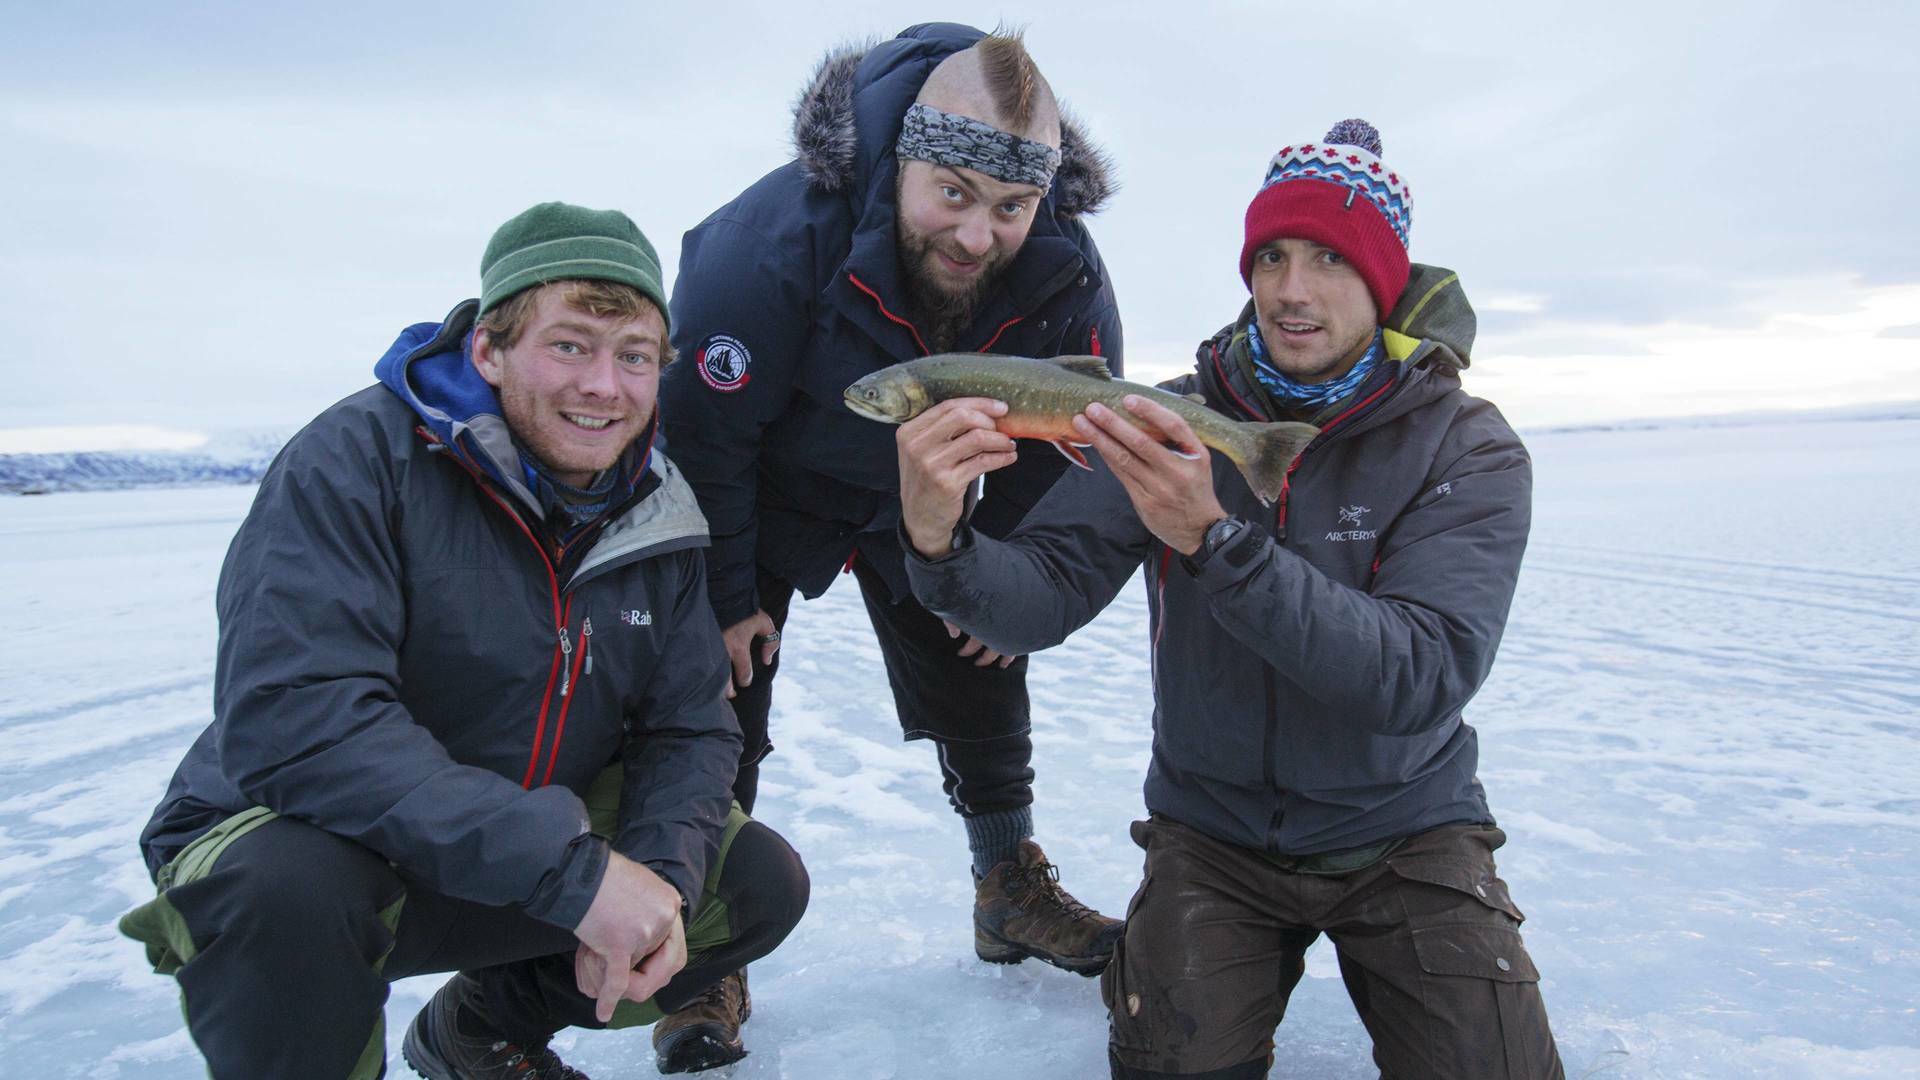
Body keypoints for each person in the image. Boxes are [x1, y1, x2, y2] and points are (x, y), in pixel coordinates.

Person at [896, 120, 1566, 1078]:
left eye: (1331, 259)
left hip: (1407, 828)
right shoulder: (1164, 420)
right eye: (1272, 257)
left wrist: (1214, 541)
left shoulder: (1464, 445)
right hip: (1213, 836)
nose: (1292, 290)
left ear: (1383, 279)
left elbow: (1419, 676)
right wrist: (939, 539)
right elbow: (1035, 604)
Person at [120, 203, 809, 1080]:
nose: (605, 385)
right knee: (285, 891)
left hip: (517, 842)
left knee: (748, 884)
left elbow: (690, 729)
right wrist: (573, 875)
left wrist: (660, 882)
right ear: (488, 349)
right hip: (314, 834)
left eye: (635, 356)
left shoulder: (659, 512)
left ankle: (478, 1030)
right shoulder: (355, 461)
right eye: (570, 346)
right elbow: (297, 719)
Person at [657, 20, 1126, 1041]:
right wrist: (727, 598)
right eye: (953, 193)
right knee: (718, 683)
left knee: (978, 648)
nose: (977, 236)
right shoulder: (764, 248)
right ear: (902, 162)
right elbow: (703, 439)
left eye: (1010, 207)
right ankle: (702, 943)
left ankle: (1007, 885)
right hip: (765, 483)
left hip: (928, 484)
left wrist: (1001, 579)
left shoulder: (1062, 271)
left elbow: (1062, 443)